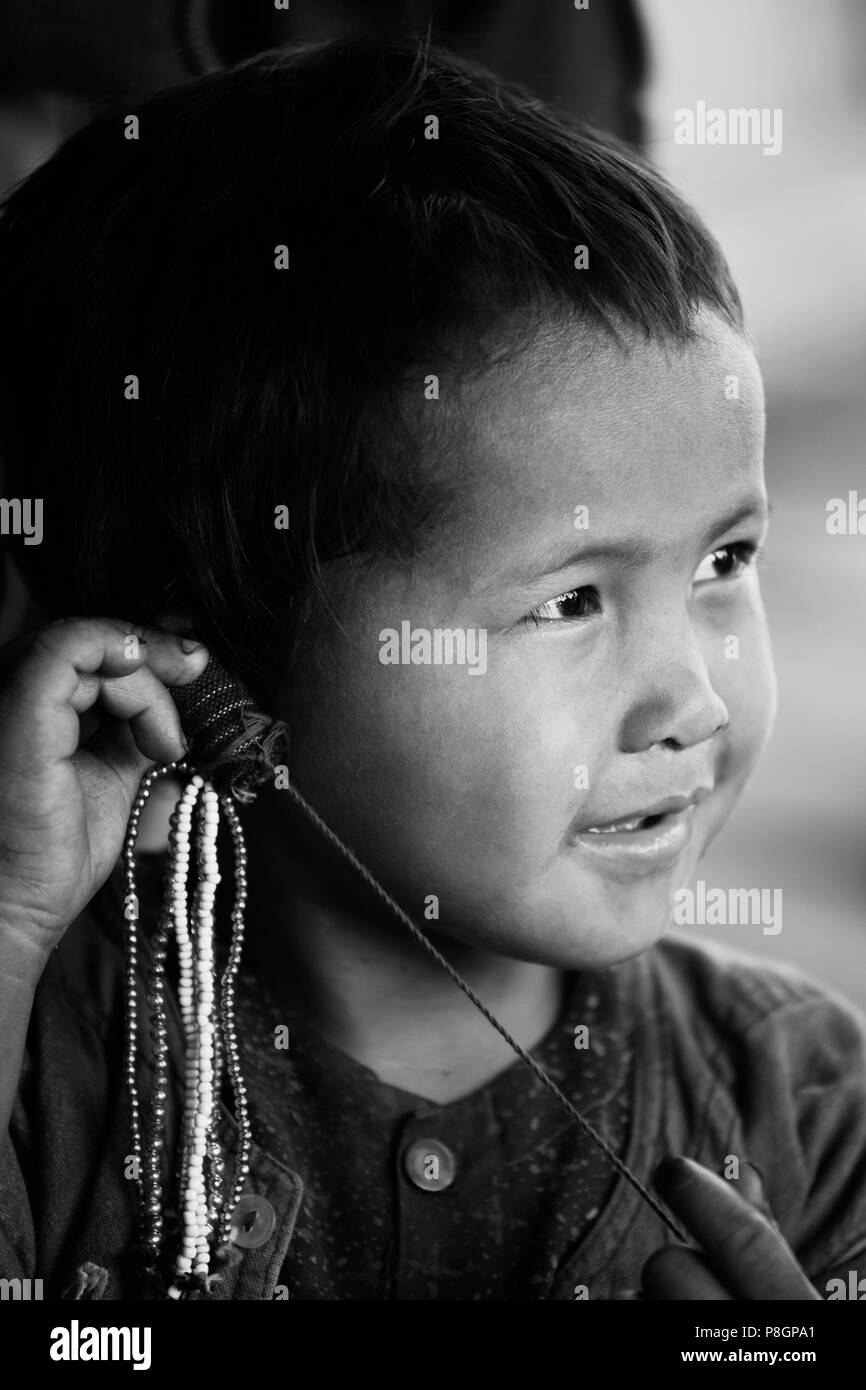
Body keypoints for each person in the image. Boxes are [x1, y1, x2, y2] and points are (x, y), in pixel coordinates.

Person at [0, 38, 863, 1302]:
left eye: (723, 559)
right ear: (209, 662)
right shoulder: (51, 1070)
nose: (695, 700)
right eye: (571, 600)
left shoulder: (807, 1107)